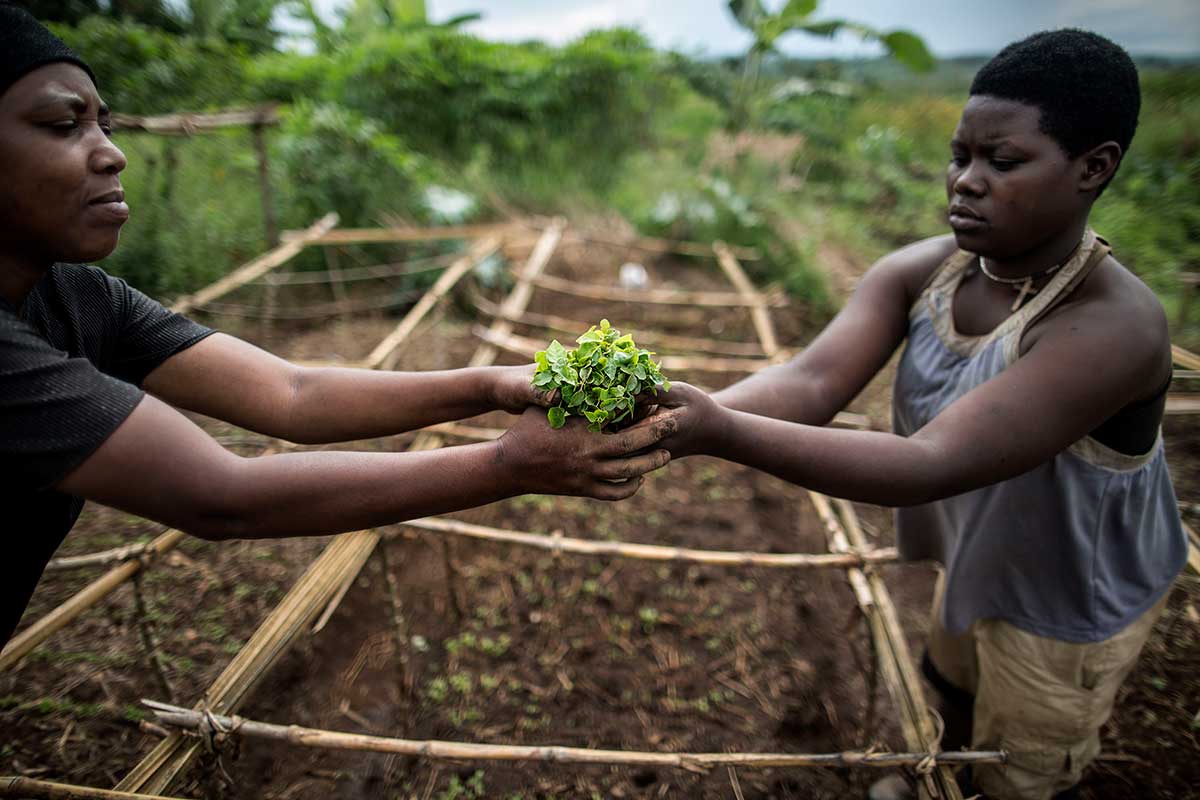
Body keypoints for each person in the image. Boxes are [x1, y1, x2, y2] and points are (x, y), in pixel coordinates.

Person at [0, 2, 677, 650]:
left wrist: (493, 384)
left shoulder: (81, 297)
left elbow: (293, 394)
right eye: (65, 125)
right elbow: (220, 496)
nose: (111, 153)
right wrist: (507, 464)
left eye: (105, 125)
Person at [652, 29, 1186, 800]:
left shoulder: (1111, 327)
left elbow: (928, 464)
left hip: (1067, 590)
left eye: (1002, 162)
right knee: (954, 679)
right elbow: (808, 382)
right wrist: (664, 420)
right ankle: (945, 771)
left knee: (1026, 760)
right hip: (981, 545)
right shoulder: (924, 271)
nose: (965, 182)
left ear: (1093, 168)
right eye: (960, 156)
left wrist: (714, 428)